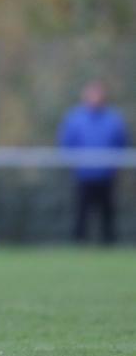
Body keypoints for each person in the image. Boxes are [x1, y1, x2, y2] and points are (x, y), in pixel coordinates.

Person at [57, 81, 128, 244]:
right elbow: (66, 143)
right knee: (81, 212)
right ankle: (79, 243)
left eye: (98, 94)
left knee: (108, 212)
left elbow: (122, 143)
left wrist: (115, 166)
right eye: (92, 94)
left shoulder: (114, 119)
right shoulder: (75, 118)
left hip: (107, 175)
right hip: (83, 175)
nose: (95, 98)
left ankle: (109, 243)